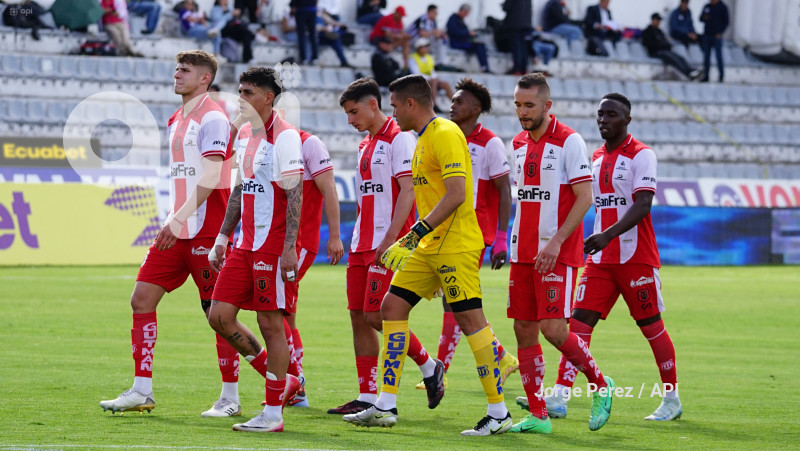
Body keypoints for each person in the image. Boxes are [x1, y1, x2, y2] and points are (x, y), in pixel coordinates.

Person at [343, 75, 513, 436]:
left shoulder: (445, 133)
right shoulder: (420, 140)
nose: (392, 112)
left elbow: (456, 194)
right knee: (390, 308)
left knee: (472, 323)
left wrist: (413, 232)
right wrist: (416, 239)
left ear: (410, 104)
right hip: (427, 247)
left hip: (454, 246)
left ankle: (498, 413)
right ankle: (385, 405)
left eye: (393, 105)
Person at [99, 50, 236, 415]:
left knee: (218, 316)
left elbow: (211, 176)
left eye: (186, 69)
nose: (178, 74)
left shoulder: (213, 118)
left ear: (205, 78)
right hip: (178, 227)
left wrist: (178, 219)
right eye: (177, 68)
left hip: (206, 228)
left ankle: (232, 397)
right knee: (141, 299)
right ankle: (142, 390)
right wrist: (175, 219)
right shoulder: (176, 118)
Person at [540, 93, 682, 422]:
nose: (604, 120)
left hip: (636, 258)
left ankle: (672, 398)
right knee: (577, 324)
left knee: (651, 327)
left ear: (627, 120)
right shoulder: (596, 156)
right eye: (600, 114)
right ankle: (560, 396)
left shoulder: (642, 155)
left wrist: (607, 235)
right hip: (600, 261)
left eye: (611, 114)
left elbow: (643, 204)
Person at [505, 73, 614, 434]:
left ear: (547, 106)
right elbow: (525, 199)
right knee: (523, 329)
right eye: (518, 104)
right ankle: (538, 415)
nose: (522, 112)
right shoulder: (517, 143)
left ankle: (601, 384)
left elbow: (585, 198)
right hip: (523, 253)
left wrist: (554, 241)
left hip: (557, 253)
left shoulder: (569, 141)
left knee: (553, 329)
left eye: (529, 105)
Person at [330, 77, 443, 415]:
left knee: (377, 315)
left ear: (373, 105)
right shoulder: (366, 144)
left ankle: (427, 364)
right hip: (361, 243)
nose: (351, 120)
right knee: (358, 317)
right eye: (348, 114)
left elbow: (408, 192)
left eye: (354, 112)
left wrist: (391, 239)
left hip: (388, 243)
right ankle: (367, 395)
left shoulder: (400, 139)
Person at [205, 66, 305, 432]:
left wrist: (290, 248)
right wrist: (221, 237)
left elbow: (295, 192)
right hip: (243, 244)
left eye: (248, 92)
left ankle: (273, 413)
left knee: (270, 323)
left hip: (273, 245)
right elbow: (239, 189)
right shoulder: (245, 134)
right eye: (240, 91)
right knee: (218, 317)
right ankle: (282, 381)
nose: (240, 99)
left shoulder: (286, 137)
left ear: (268, 97)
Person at [419, 77, 519, 390]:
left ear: (476, 109)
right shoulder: (445, 136)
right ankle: (501, 357)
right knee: (461, 305)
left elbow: (504, 190)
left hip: (471, 234)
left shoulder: (489, 142)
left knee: (456, 302)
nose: (452, 104)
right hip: (445, 232)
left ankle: (440, 369)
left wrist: (502, 238)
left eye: (459, 101)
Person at [283, 119, 346, 407]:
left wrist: (334, 236)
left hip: (301, 244)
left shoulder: (309, 143)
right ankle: (295, 386)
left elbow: (329, 189)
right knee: (284, 313)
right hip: (276, 242)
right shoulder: (267, 144)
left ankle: (297, 385)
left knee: (278, 312)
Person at [642, 13, 702, 80]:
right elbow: (649, 44)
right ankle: (688, 74)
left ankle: (691, 70)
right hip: (655, 52)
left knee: (680, 57)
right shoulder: (647, 31)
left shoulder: (659, 31)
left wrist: (665, 45)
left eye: (659, 21)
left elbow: (666, 43)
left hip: (665, 51)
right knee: (673, 59)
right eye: (657, 20)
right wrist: (661, 45)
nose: (659, 22)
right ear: (653, 20)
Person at [407, 38, 452, 113]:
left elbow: (432, 71)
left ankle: (455, 103)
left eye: (426, 47)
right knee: (434, 82)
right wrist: (431, 78)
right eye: (424, 47)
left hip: (430, 80)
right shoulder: (413, 58)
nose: (426, 49)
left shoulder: (429, 58)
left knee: (445, 84)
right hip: (419, 81)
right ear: (418, 48)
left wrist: (433, 78)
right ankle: (434, 104)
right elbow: (416, 73)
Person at [446, 4, 491, 73]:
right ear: (463, 11)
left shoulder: (460, 20)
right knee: (479, 46)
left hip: (463, 42)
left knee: (481, 45)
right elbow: (453, 32)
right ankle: (484, 67)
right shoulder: (453, 19)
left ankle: (484, 67)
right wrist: (468, 33)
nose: (467, 15)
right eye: (466, 13)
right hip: (456, 43)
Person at [699, 0, 729, 82]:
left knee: (718, 56)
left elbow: (726, 22)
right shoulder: (707, 6)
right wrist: (705, 17)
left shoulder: (723, 7)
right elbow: (700, 18)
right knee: (706, 57)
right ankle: (706, 76)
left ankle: (721, 76)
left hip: (717, 37)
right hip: (707, 35)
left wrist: (720, 32)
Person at [502, 0, 532, 75]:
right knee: (524, 47)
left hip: (515, 24)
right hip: (526, 24)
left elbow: (506, 7)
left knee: (516, 46)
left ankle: (517, 69)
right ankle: (524, 69)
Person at [291, 0, 320, 65]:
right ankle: (314, 58)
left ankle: (303, 58)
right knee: (312, 35)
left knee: (301, 35)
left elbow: (293, 4)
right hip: (311, 9)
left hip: (301, 10)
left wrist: (292, 4)